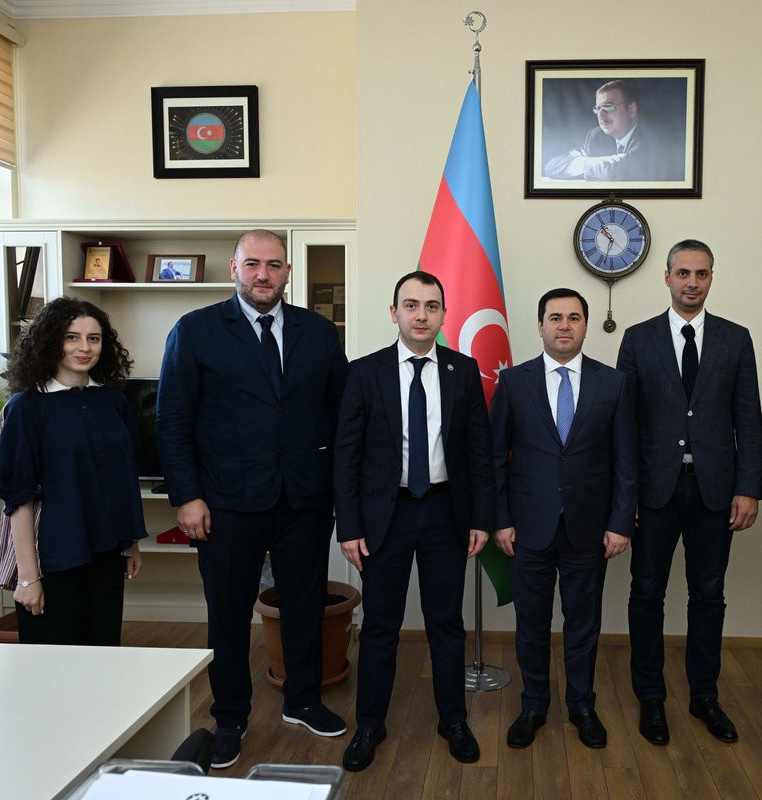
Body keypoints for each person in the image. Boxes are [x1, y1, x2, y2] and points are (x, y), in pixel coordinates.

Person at [157, 228, 349, 770]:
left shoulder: (319, 332)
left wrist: (339, 490)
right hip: (225, 501)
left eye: (274, 264)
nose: (263, 274)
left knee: (305, 603)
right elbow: (172, 419)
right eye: (253, 264)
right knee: (228, 611)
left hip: (304, 498)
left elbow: (340, 414)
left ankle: (303, 700)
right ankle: (230, 717)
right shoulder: (195, 330)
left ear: (288, 272)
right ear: (234, 268)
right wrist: (187, 497)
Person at [333, 271, 494, 771]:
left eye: (431, 306)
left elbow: (479, 451)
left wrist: (481, 517)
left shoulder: (464, 370)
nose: (421, 315)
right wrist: (349, 526)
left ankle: (454, 720)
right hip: (386, 516)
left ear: (444, 314)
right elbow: (346, 454)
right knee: (380, 625)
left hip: (447, 512)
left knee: (446, 624)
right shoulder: (365, 372)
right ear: (394, 313)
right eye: (411, 305)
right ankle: (369, 725)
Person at [616, 239, 762, 746]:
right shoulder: (638, 339)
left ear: (711, 278)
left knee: (708, 595)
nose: (692, 282)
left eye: (701, 274)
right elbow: (624, 424)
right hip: (653, 492)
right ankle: (650, 696)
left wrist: (748, 487)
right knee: (646, 593)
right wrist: (626, 495)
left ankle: (704, 695)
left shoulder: (735, 339)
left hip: (715, 492)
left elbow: (749, 418)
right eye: (683, 273)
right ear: (667, 277)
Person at [490, 288, 637, 750]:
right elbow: (495, 459)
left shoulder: (613, 384)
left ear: (585, 326)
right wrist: (500, 520)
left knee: (583, 625)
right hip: (527, 527)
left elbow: (626, 461)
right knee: (531, 624)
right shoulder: (513, 382)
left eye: (574, 317)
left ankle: (581, 705)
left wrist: (620, 522)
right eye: (555, 317)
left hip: (589, 528)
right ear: (540, 326)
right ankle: (533, 705)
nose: (564, 325)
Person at [0, 297, 144, 645]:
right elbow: (18, 497)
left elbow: (122, 481)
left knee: (103, 655)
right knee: (52, 665)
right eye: (71, 337)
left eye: (94, 338)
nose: (84, 348)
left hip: (106, 555)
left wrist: (131, 545)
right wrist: (28, 576)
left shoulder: (115, 403)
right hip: (52, 558)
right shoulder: (26, 408)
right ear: (50, 341)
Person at [543, 79, 682, 182]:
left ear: (631, 109)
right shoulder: (596, 136)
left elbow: (621, 172)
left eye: (608, 106)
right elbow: (552, 166)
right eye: (598, 109)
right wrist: (590, 163)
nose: (601, 115)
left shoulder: (654, 135)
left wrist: (587, 164)